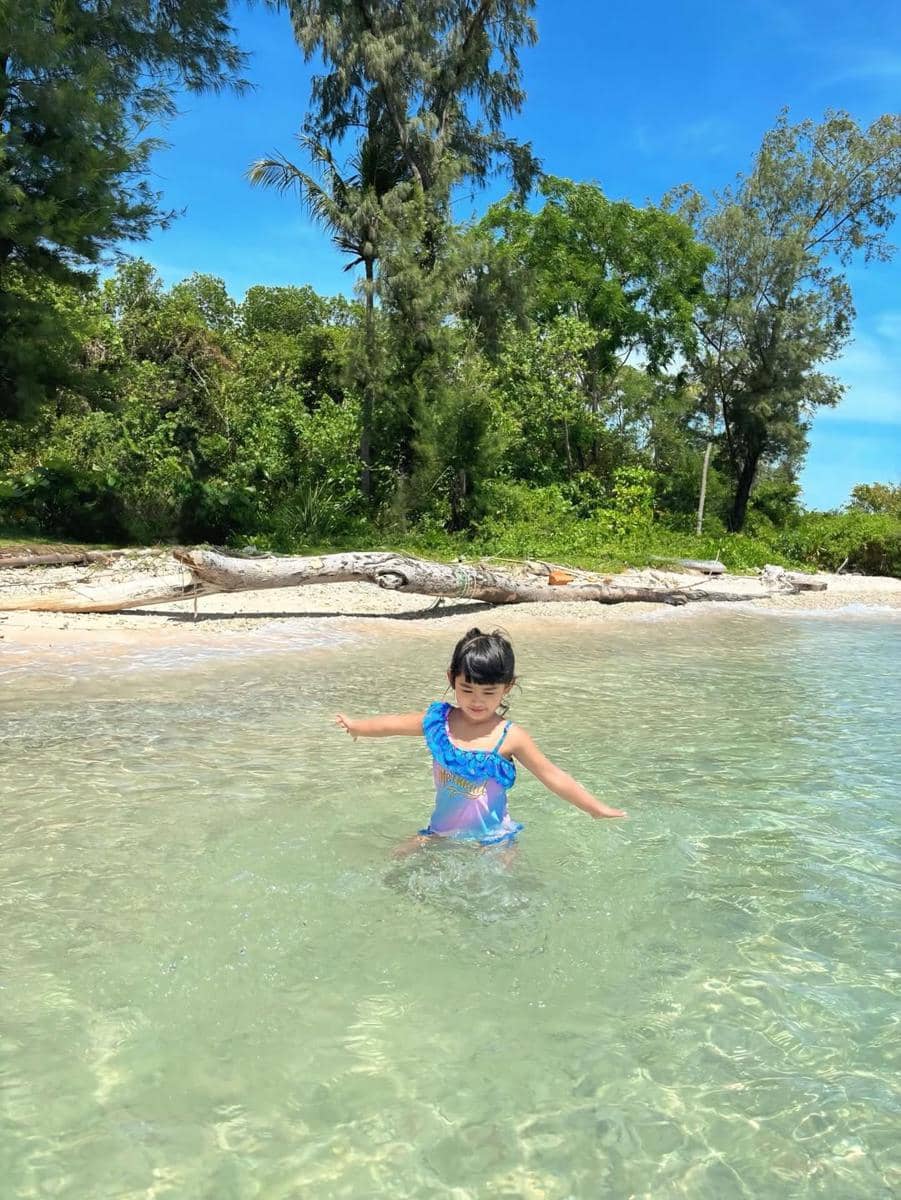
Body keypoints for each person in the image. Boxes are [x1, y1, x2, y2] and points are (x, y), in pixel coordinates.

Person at [334, 628, 626, 847]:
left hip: (493, 839)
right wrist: (358, 727)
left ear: (507, 688)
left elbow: (553, 776)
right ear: (452, 679)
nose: (477, 701)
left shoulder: (509, 737)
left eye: (489, 693)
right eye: (467, 689)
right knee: (396, 860)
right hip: (440, 831)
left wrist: (596, 809)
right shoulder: (440, 722)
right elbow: (393, 724)